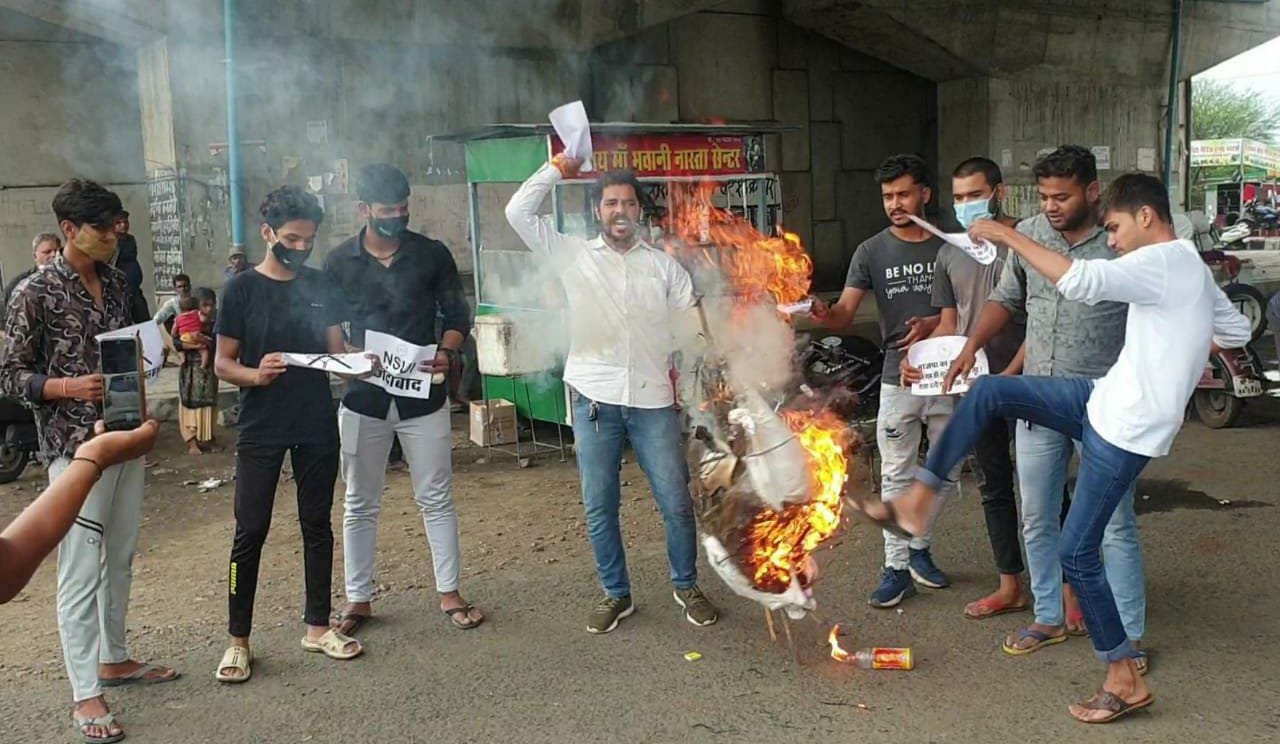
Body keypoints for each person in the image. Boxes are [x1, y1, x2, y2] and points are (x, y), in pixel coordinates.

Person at [858, 173, 1251, 723]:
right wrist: (1178, 354)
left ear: (1145, 217)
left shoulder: (1164, 261)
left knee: (1077, 552)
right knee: (991, 390)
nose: (1111, 239)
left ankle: (1123, 676)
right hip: (1101, 398)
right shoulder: (1191, 271)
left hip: (1126, 430)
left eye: (1115, 228)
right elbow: (1236, 333)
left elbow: (1082, 280)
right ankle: (918, 498)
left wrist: (1008, 236)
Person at [933, 146, 1148, 657]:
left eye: (1062, 196)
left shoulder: (1118, 241)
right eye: (1045, 195)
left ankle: (1130, 632)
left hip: (1105, 403)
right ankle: (1048, 615)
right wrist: (971, 346)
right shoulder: (1030, 231)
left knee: (1116, 523)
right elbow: (1007, 300)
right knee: (1038, 512)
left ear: (1092, 192)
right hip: (1039, 397)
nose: (1051, 206)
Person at [506, 155, 719, 634]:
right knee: (600, 504)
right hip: (594, 401)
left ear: (640, 210)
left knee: (676, 502)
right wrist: (557, 166)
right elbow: (517, 212)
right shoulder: (572, 255)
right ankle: (615, 594)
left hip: (653, 403)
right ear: (596, 211)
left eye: (627, 202)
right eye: (609, 203)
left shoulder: (665, 269)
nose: (619, 210)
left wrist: (707, 356)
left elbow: (693, 330)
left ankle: (686, 585)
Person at [0, 180, 178, 744]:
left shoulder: (122, 284)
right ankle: (85, 693)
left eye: (118, 222)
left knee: (120, 555)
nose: (115, 234)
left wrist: (151, 372)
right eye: (104, 227)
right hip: (73, 452)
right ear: (71, 230)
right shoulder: (33, 293)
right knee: (80, 568)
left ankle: (114, 659)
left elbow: (137, 352)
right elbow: (9, 375)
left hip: (125, 439)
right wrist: (66, 386)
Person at [213, 186, 365, 683]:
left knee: (316, 523)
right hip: (261, 423)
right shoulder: (240, 289)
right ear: (268, 233)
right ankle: (238, 640)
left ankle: (318, 626)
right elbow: (222, 364)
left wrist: (365, 364)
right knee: (249, 530)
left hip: (316, 419)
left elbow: (338, 353)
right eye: (292, 238)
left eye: (309, 240)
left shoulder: (320, 285)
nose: (300, 248)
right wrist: (256, 375)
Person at [324, 164, 483, 634]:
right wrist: (347, 356)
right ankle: (358, 599)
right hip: (363, 398)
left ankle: (449, 592)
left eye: (402, 208)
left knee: (436, 496)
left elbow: (457, 314)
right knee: (359, 500)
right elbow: (332, 331)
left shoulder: (432, 255)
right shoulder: (338, 262)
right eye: (386, 210)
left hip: (422, 397)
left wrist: (447, 350)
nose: (396, 217)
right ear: (363, 210)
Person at [809, 153, 958, 609]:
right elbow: (845, 315)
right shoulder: (871, 251)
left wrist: (936, 326)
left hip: (948, 376)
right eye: (888, 196)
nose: (895, 203)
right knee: (895, 472)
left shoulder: (951, 247)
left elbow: (969, 311)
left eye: (904, 194)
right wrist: (821, 312)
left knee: (944, 472)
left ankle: (920, 548)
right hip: (898, 379)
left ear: (925, 194)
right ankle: (896, 567)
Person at [900, 157, 1030, 619]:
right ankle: (1009, 583)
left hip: (1032, 382)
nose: (966, 205)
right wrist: (915, 361)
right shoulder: (948, 253)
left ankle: (1065, 590)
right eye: (958, 197)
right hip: (976, 389)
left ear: (999, 193)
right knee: (994, 486)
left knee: (1045, 488)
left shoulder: (1027, 241)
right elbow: (951, 328)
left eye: (974, 195)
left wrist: (1012, 373)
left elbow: (1045, 321)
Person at [1, 420, 159, 604]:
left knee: (116, 566)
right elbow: (6, 571)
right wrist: (93, 457)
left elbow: (9, 562)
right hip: (70, 456)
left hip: (91, 457)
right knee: (79, 574)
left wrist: (91, 458)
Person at [176, 288, 219, 456]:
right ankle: (192, 442)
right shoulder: (186, 320)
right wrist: (191, 345)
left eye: (211, 305)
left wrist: (204, 341)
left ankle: (208, 439)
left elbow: (218, 343)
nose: (208, 309)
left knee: (209, 405)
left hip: (208, 372)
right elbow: (176, 341)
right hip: (189, 372)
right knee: (189, 405)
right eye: (205, 305)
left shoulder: (217, 322)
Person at [3, 232, 61, 306]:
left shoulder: (71, 280)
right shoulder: (19, 285)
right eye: (47, 252)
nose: (54, 255)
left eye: (57, 251)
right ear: (35, 256)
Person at [173, 294, 213, 369]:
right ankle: (203, 365)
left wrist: (175, 335)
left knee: (181, 350)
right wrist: (206, 317)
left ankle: (182, 359)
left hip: (184, 337)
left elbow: (173, 331)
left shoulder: (178, 317)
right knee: (204, 351)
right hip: (195, 335)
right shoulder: (197, 313)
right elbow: (203, 320)